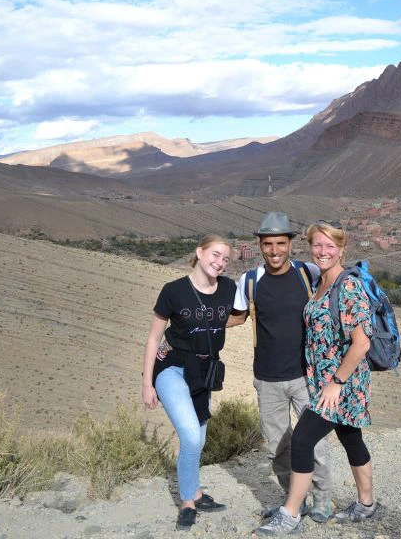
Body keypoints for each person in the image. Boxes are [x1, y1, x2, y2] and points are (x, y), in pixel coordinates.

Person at [256, 220, 379, 536]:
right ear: (310, 247)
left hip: (341, 384)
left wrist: (336, 384)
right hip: (327, 380)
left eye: (330, 246)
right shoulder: (321, 281)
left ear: (342, 249)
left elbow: (361, 342)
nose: (323, 251)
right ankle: (366, 503)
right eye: (318, 245)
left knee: (303, 438)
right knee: (351, 438)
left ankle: (291, 513)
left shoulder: (347, 286)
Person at [230, 212, 333, 522]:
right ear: (259, 245)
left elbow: (335, 286)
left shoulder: (309, 273)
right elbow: (236, 316)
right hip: (267, 378)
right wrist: (192, 319)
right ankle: (295, 500)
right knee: (278, 446)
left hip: (306, 377)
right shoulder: (249, 281)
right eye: (268, 244)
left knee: (315, 442)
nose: (274, 251)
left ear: (291, 244)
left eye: (280, 243)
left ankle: (323, 499)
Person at [141, 234, 237, 531]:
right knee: (192, 437)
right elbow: (154, 338)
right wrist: (147, 383)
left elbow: (235, 316)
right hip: (171, 368)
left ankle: (195, 491)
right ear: (200, 252)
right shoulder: (173, 291)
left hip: (204, 371)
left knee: (200, 437)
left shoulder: (229, 288)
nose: (220, 263)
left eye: (225, 259)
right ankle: (187, 503)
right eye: (215, 255)